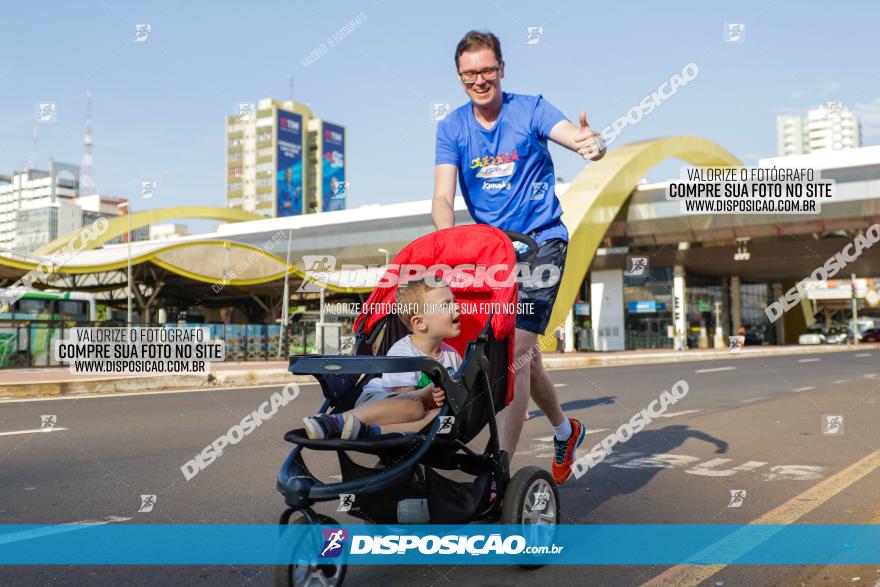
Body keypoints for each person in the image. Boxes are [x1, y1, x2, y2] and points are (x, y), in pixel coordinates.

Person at [431, 30, 606, 484]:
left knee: (518, 351)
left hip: (541, 242)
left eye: (488, 69)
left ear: (502, 68)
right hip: (491, 251)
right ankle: (566, 431)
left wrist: (591, 144)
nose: (480, 79)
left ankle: (499, 472)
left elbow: (573, 135)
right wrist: (447, 242)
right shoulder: (452, 128)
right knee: (526, 358)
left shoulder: (530, 109)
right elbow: (442, 198)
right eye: (471, 73)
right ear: (459, 76)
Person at [302, 276, 462, 440]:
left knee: (444, 420)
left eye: (454, 301)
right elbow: (403, 397)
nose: (457, 308)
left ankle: (372, 432)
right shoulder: (404, 352)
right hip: (380, 402)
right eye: (446, 305)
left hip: (414, 415)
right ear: (420, 322)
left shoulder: (453, 356)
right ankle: (334, 422)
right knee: (413, 405)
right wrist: (426, 394)